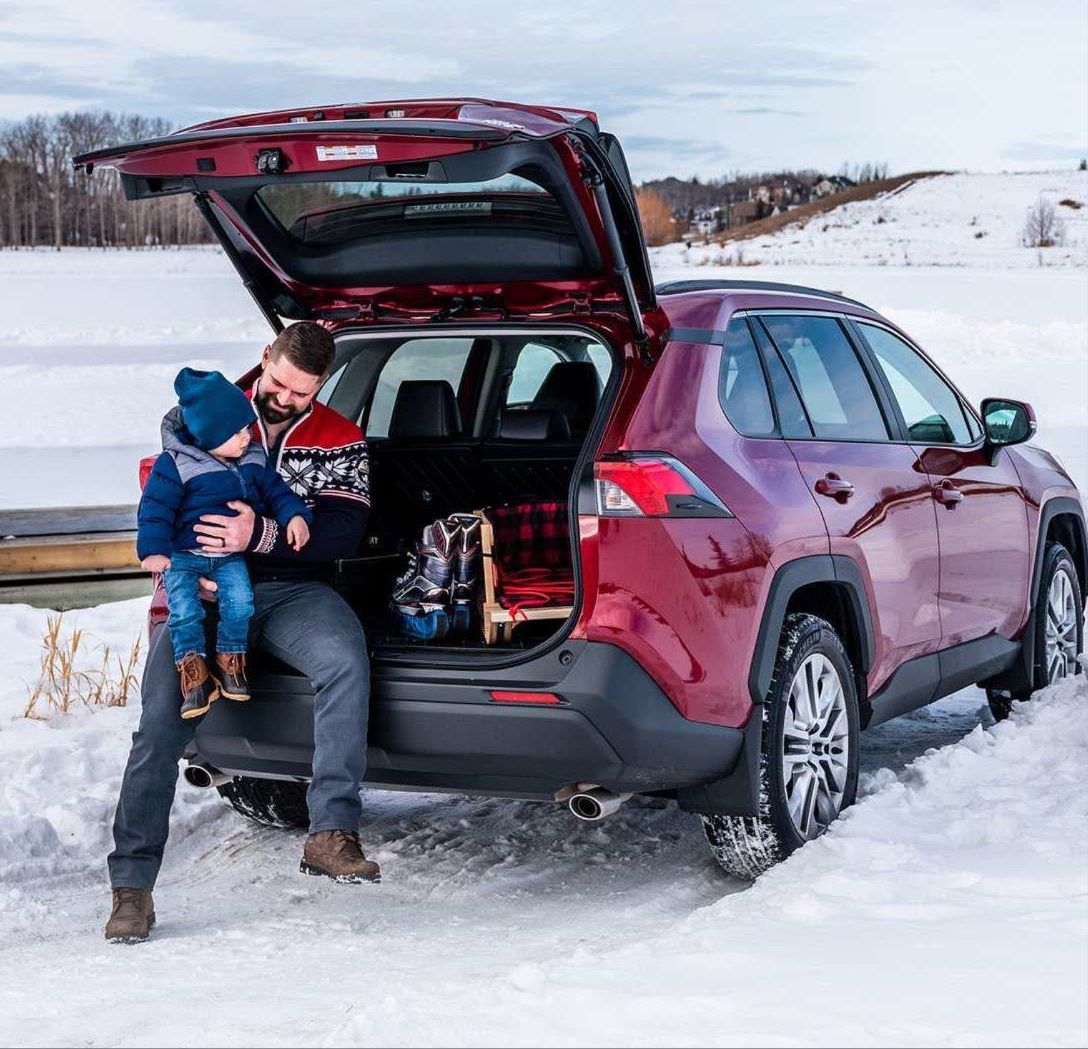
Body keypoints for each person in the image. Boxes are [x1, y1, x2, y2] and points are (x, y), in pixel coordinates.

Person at [106, 322, 377, 945]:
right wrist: (178, 562)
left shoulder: (342, 438)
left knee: (343, 660)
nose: (286, 400)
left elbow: (343, 534)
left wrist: (259, 535)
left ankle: (331, 834)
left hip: (290, 590)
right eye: (280, 384)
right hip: (199, 595)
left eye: (302, 394)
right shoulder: (204, 415)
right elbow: (160, 504)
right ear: (265, 361)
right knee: (157, 728)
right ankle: (132, 888)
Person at [136, 368, 311, 718]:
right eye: (235, 432)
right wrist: (153, 550)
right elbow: (155, 508)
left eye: (246, 427)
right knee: (185, 613)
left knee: (242, 604)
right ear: (207, 435)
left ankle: (230, 661)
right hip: (183, 557)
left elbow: (277, 492)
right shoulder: (177, 465)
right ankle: (193, 674)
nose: (246, 436)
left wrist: (295, 516)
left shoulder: (252, 458)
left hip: (229, 557)